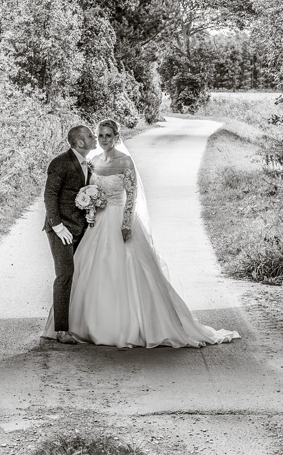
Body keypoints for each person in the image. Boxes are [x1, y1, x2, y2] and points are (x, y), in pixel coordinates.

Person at [67, 118, 240, 348]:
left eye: (108, 135)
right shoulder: (94, 161)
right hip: (97, 222)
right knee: (91, 268)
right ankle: (90, 323)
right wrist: (89, 205)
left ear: (116, 137)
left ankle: (130, 325)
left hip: (120, 218)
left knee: (129, 269)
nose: (104, 139)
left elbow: (132, 195)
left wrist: (126, 224)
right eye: (100, 135)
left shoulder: (125, 161)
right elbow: (93, 190)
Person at [41, 124, 98, 344]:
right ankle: (61, 330)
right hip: (61, 230)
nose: (94, 139)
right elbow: (50, 196)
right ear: (81, 142)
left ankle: (79, 322)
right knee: (65, 275)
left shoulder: (89, 164)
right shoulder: (60, 163)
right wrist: (57, 226)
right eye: (91, 136)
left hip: (81, 228)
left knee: (81, 276)